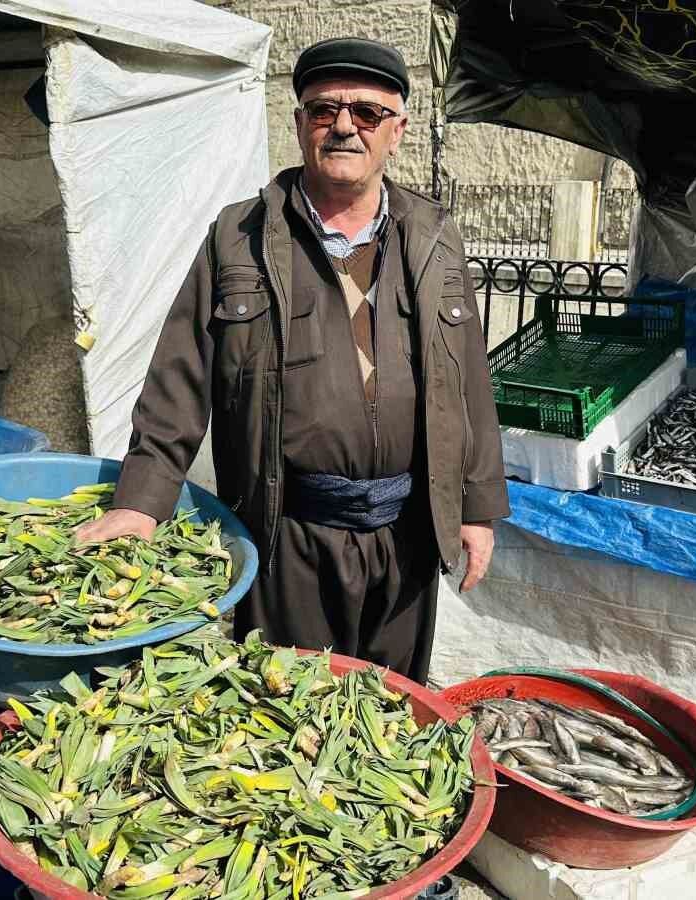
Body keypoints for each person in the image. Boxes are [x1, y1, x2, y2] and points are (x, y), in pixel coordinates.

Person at [75, 37, 508, 684]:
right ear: (299, 123)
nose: (343, 127)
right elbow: (180, 376)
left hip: (407, 533)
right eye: (322, 109)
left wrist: (476, 508)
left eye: (366, 113)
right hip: (287, 535)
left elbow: (467, 378)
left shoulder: (435, 235)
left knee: (388, 707)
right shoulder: (240, 236)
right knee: (283, 707)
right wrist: (142, 501)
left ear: (399, 131)